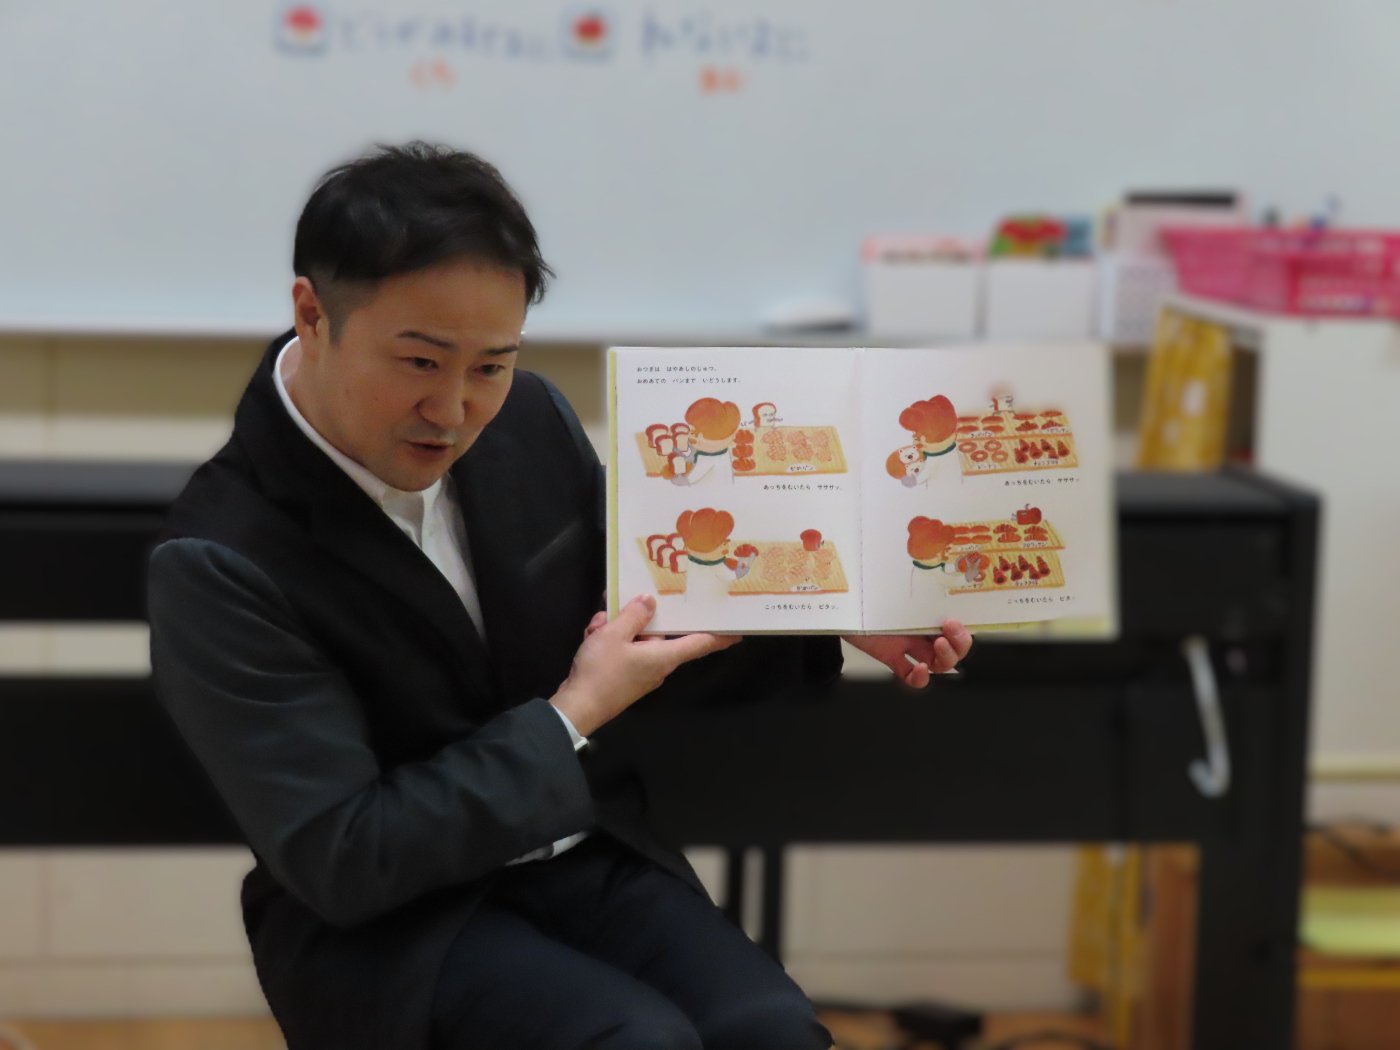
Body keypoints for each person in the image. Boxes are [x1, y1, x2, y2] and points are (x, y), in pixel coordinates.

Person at [146, 142, 973, 1050]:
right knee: (637, 1041)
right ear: (312, 314)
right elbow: (346, 855)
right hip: (391, 930)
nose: (452, 411)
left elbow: (639, 622)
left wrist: (831, 610)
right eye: (419, 362)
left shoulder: (528, 422)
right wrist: (572, 711)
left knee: (771, 1031)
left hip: (580, 856)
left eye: (490, 366)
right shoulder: (220, 556)